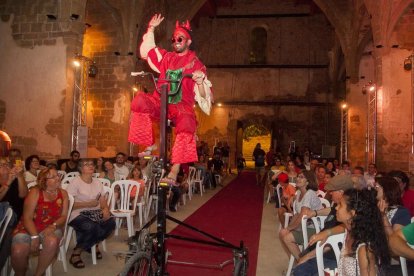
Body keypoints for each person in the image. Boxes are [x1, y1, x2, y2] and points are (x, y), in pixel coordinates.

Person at [128, 13, 212, 186]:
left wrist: (200, 81)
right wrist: (151, 28)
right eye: (173, 40)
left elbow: (204, 96)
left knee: (187, 122)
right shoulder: (167, 58)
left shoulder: (196, 63)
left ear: (188, 41)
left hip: (182, 105)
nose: (175, 42)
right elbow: (149, 51)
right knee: (139, 101)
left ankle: (174, 171)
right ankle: (149, 144)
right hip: (161, 100)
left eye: (179, 39)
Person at [11, 168, 69, 276]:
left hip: (52, 226)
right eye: (53, 176)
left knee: (52, 241)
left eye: (58, 175)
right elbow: (27, 217)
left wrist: (53, 226)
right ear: (44, 181)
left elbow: (64, 216)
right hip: (29, 226)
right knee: (18, 250)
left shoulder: (63, 193)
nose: (58, 178)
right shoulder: (35, 192)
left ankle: (38, 274)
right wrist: (34, 236)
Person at [293, 175, 354, 276]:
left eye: (332, 191)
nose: (329, 193)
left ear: (341, 192)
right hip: (319, 249)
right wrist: (316, 213)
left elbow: (330, 243)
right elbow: (331, 209)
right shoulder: (339, 206)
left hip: (329, 255)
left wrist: (308, 256)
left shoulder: (346, 215)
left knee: (300, 270)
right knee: (299, 267)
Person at [67, 159, 115, 268]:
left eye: (91, 164)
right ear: (80, 168)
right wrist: (88, 204)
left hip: (95, 212)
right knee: (91, 226)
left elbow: (102, 200)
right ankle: (77, 252)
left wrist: (105, 210)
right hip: (77, 213)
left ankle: (90, 244)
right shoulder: (75, 182)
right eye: (86, 164)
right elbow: (69, 204)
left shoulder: (97, 182)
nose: (90, 166)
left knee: (111, 223)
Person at [279, 170, 322, 262]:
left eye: (301, 177)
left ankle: (301, 262)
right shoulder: (298, 193)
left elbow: (303, 214)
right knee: (282, 233)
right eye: (298, 176)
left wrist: (289, 229)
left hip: (315, 228)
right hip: (303, 225)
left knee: (287, 238)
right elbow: (297, 214)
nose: (298, 178)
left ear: (308, 181)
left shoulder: (309, 193)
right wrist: (288, 228)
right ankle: (296, 262)